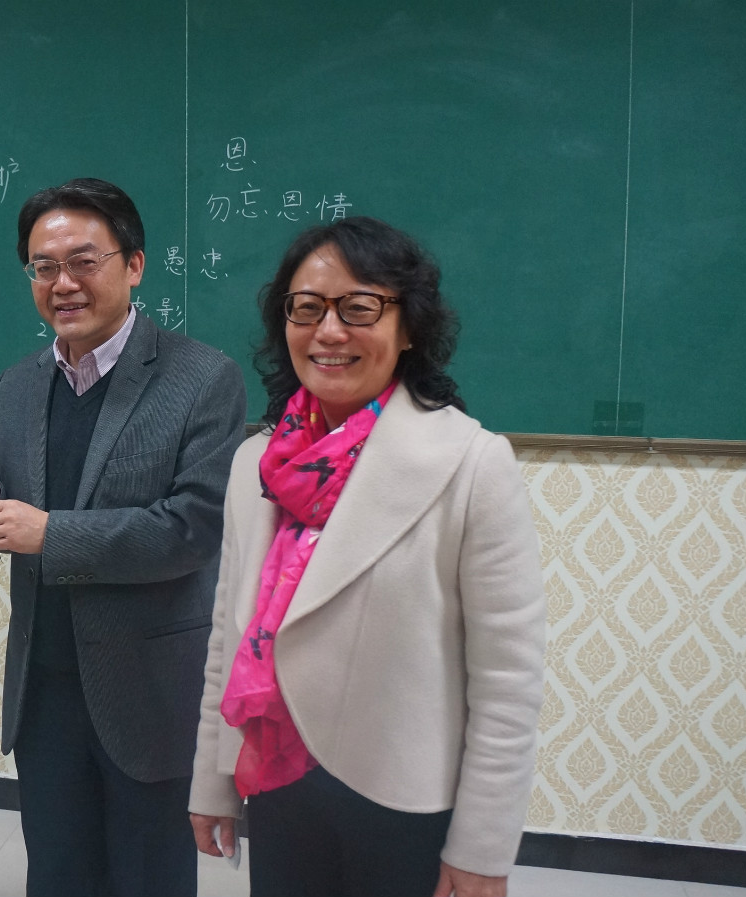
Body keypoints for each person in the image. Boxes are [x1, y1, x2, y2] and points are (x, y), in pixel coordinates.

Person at [188, 217, 547, 897]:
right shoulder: (255, 464)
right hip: (278, 782)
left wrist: (482, 847)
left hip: (402, 800)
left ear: (409, 327)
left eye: (359, 308)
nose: (328, 331)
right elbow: (226, 639)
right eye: (306, 308)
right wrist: (213, 779)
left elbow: (508, 680)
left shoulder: (471, 464)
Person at [0, 178, 246, 896]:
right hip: (44, 691)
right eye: (44, 267)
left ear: (134, 264)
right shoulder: (17, 384)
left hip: (149, 693)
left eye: (84, 261)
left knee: (148, 881)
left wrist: (49, 533)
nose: (63, 283)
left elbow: (193, 528)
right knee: (56, 877)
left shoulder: (204, 377)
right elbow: (6, 522)